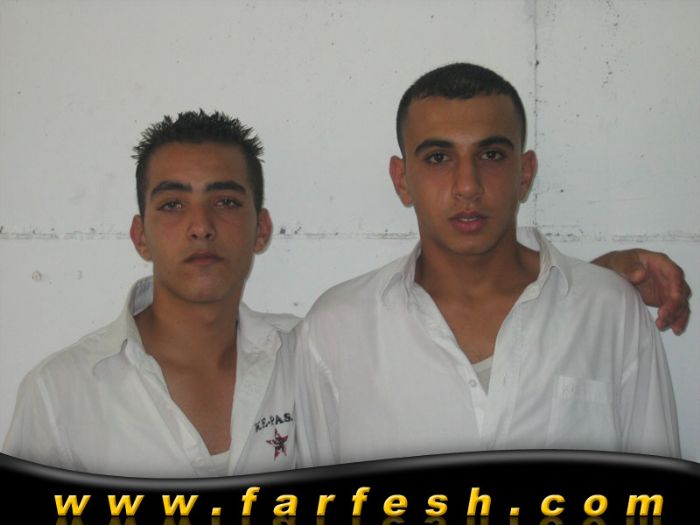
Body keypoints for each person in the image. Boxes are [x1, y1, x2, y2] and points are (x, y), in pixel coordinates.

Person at [295, 63, 683, 467]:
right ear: (402, 179)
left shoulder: (608, 311)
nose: (468, 185)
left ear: (525, 173)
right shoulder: (336, 330)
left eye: (491, 155)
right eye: (438, 157)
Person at [3, 111, 299, 477]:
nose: (201, 227)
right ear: (140, 236)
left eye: (225, 202)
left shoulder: (306, 361)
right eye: (173, 204)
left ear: (261, 229)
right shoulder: (59, 393)